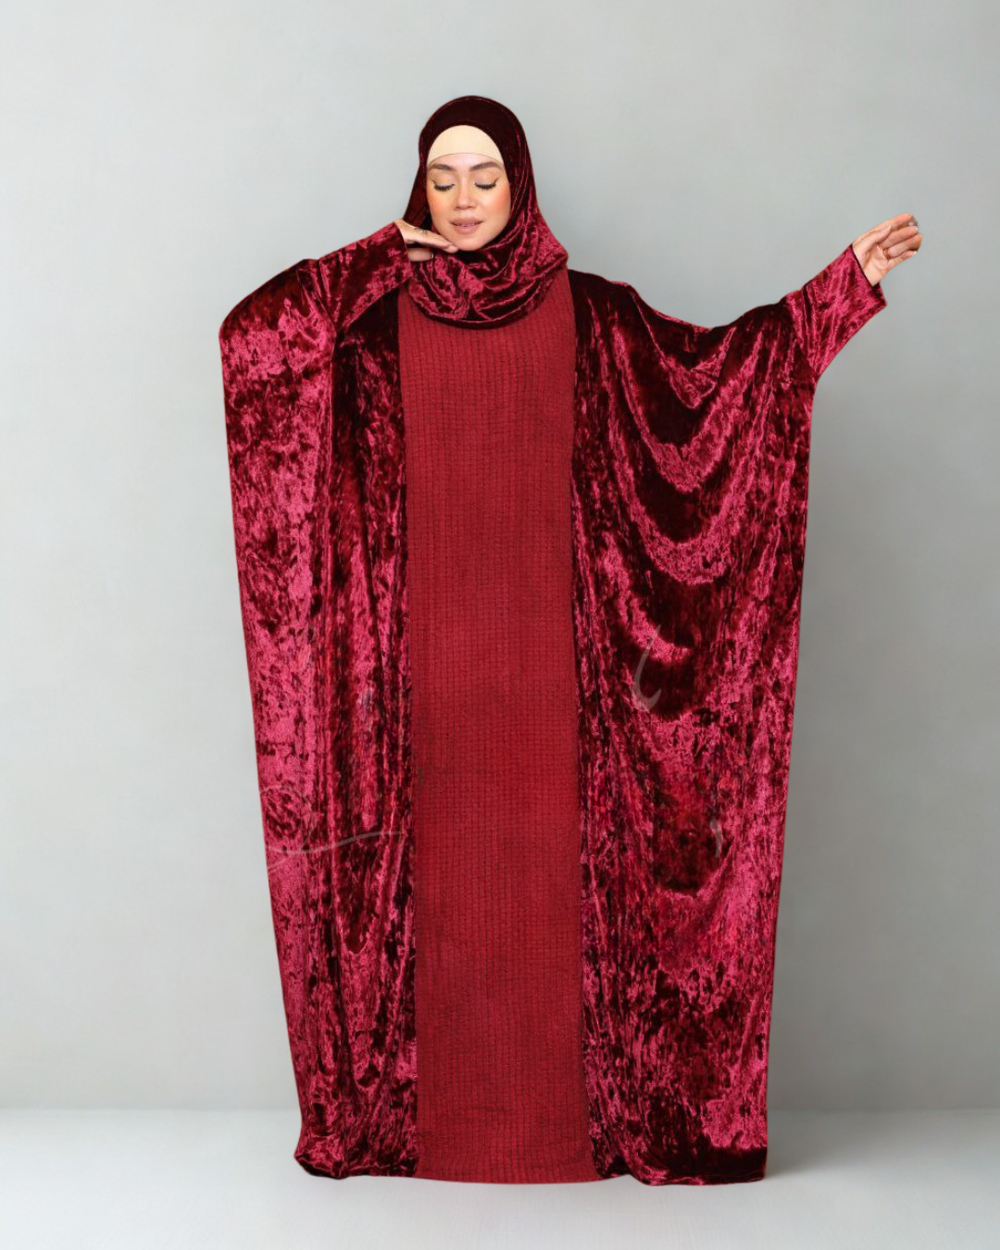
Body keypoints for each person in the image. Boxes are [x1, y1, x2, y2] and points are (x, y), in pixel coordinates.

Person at [218, 95, 920, 1185]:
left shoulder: (594, 318)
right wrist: (373, 256)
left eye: (483, 176)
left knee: (551, 922)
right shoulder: (372, 328)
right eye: (442, 177)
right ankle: (429, 1131)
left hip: (562, 701)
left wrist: (836, 295)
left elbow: (715, 390)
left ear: (521, 184)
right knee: (449, 921)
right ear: (416, 191)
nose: (462, 199)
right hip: (421, 703)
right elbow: (255, 348)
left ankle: (568, 1128)